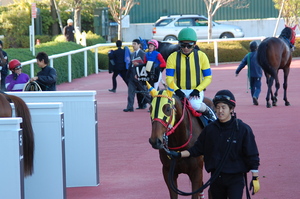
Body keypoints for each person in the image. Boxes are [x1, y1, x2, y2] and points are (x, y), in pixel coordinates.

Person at [168, 90, 260, 199]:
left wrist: (255, 178)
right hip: (216, 179)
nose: (220, 111)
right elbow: (196, 149)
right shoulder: (209, 129)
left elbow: (252, 154)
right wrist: (178, 154)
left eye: (223, 107)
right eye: (217, 107)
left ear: (231, 109)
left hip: (235, 180)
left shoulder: (243, 129)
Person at [165, 27, 215, 121]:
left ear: (195, 44)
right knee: (167, 108)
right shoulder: (172, 57)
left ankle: (209, 112)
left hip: (195, 91)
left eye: (189, 45)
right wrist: (177, 90)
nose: (186, 48)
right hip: (178, 90)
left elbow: (208, 77)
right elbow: (169, 78)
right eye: (183, 45)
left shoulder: (202, 56)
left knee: (195, 105)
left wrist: (197, 89)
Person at [123, 39, 151, 112]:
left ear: (139, 45)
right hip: (132, 76)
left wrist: (139, 64)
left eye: (134, 44)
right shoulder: (132, 54)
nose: (133, 45)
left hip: (140, 76)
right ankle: (130, 107)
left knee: (144, 92)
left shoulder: (143, 54)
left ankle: (153, 104)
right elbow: (130, 65)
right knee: (130, 92)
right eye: (133, 44)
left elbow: (146, 64)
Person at [236, 41, 262, 105]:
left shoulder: (248, 55)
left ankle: (253, 99)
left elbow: (242, 64)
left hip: (250, 75)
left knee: (252, 87)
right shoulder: (259, 55)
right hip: (258, 74)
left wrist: (237, 71)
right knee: (258, 87)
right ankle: (255, 96)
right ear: (256, 47)